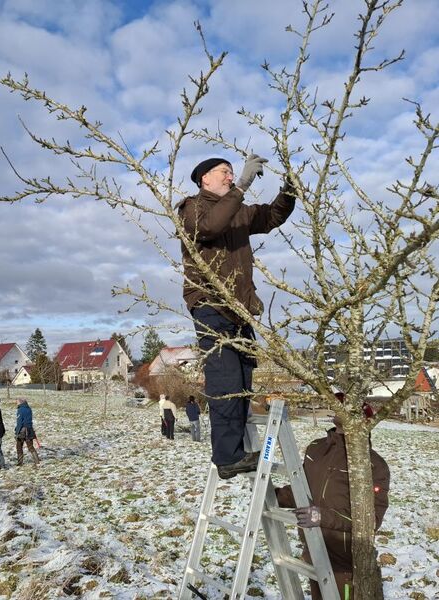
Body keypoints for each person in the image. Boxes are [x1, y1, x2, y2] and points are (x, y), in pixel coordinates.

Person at [178, 155, 296, 479]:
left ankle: (237, 450)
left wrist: (290, 192)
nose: (231, 176)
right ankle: (227, 458)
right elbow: (211, 226)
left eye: (233, 172)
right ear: (204, 179)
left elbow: (272, 216)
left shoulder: (240, 211)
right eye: (225, 172)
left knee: (244, 376)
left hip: (239, 307)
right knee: (225, 378)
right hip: (211, 305)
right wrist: (242, 185)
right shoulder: (192, 208)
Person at [275, 401, 390, 600]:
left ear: (364, 419)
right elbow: (302, 489)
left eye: (348, 405)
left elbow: (370, 521)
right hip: (313, 548)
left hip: (343, 563)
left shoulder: (373, 465)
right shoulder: (316, 448)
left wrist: (323, 517)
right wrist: (274, 497)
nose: (340, 408)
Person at [14, 398, 40, 466]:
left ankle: (20, 462)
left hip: (22, 431)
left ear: (21, 402)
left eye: (17, 401)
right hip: (30, 429)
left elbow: (19, 422)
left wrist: (17, 432)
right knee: (30, 447)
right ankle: (37, 461)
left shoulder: (20, 410)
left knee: (19, 447)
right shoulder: (29, 409)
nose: (16, 403)